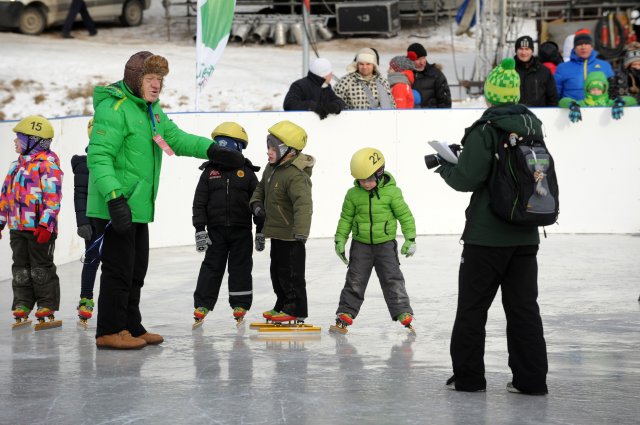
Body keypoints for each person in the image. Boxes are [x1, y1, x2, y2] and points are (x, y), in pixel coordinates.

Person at [87, 51, 242, 349]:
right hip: (115, 205)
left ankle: (131, 325)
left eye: (160, 80)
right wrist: (114, 197)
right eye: (150, 79)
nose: (157, 85)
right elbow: (99, 157)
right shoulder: (114, 108)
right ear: (135, 79)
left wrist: (213, 151)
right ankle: (109, 329)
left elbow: (176, 138)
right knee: (118, 270)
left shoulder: (152, 110)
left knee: (136, 270)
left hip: (138, 206)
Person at [434, 58, 549, 395]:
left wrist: (444, 166)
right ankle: (531, 381)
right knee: (524, 310)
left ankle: (469, 378)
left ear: (489, 96)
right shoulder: (533, 125)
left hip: (486, 237)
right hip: (526, 233)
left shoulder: (485, 130)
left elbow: (467, 179)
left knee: (472, 309)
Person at [331, 147, 417, 333]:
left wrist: (410, 238)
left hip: (385, 245)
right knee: (355, 279)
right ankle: (346, 312)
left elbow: (405, 216)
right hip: (360, 245)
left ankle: (402, 311)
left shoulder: (392, 193)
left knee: (392, 278)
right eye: (361, 180)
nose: (365, 184)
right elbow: (346, 218)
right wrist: (340, 239)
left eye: (369, 179)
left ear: (379, 173)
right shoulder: (353, 195)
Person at [191, 122, 264, 328]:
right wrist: (199, 229)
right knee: (211, 267)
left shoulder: (248, 173)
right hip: (215, 232)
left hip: (241, 231)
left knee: (241, 267)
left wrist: (260, 230)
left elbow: (258, 202)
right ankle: (203, 304)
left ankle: (240, 304)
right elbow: (199, 202)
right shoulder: (209, 172)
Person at [0, 115, 64, 329]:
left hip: (39, 228)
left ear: (33, 141)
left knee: (41, 267)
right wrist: (0, 221)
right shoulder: (14, 166)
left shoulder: (47, 166)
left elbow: (53, 198)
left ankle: (46, 304)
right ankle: (23, 303)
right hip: (17, 226)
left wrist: (46, 224)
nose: (15, 141)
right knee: (20, 268)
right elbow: (5, 197)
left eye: (19, 138)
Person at [249, 120, 314, 323]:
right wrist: (256, 203)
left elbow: (303, 205)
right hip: (276, 233)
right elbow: (260, 189)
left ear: (288, 151)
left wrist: (301, 232)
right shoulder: (271, 169)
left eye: (272, 148)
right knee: (277, 273)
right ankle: (282, 304)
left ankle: (296, 309)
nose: (268, 152)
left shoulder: (296, 176)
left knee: (292, 276)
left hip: (292, 235)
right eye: (267, 147)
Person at [71, 118, 106, 327]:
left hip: (113, 219)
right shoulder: (85, 164)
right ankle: (86, 299)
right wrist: (82, 221)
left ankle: (112, 303)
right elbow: (80, 194)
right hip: (93, 221)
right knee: (92, 260)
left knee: (115, 263)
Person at [555, 29, 614, 100]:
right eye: (579, 44)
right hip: (571, 109)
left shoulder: (604, 65)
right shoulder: (562, 68)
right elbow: (556, 93)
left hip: (599, 109)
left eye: (586, 44)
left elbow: (613, 90)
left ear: (591, 47)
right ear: (574, 48)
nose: (583, 47)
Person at [558, 71, 637, 123]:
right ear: (587, 90)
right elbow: (562, 101)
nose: (596, 92)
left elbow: (633, 100)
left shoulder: (610, 103)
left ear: (604, 90)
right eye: (592, 89)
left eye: (599, 89)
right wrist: (572, 104)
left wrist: (620, 102)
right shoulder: (582, 104)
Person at [513, 35, 558, 106]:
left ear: (532, 50)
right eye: (521, 49)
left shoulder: (544, 71)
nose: (524, 53)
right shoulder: (508, 70)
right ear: (516, 51)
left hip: (539, 114)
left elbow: (552, 97)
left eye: (527, 49)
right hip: (514, 114)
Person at [406, 42, 452, 108]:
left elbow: (444, 101)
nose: (422, 62)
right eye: (418, 59)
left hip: (432, 116)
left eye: (423, 58)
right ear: (410, 60)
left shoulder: (436, 75)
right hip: (410, 116)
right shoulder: (403, 75)